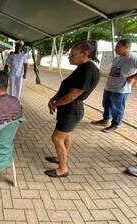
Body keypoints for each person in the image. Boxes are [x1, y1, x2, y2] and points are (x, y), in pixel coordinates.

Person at [45, 41, 100, 178]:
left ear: (84, 54)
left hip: (71, 109)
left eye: (72, 54)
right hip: (69, 108)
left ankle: (63, 169)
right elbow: (67, 87)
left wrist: (56, 103)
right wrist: (55, 98)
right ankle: (62, 158)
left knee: (57, 138)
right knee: (66, 135)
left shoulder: (89, 71)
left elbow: (71, 95)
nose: (69, 57)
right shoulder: (82, 67)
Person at [92, 39, 137, 132]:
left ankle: (115, 124)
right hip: (109, 86)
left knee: (117, 107)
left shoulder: (133, 57)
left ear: (126, 47)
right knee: (106, 104)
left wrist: (133, 77)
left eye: (118, 47)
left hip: (121, 89)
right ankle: (105, 120)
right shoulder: (118, 57)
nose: (115, 48)